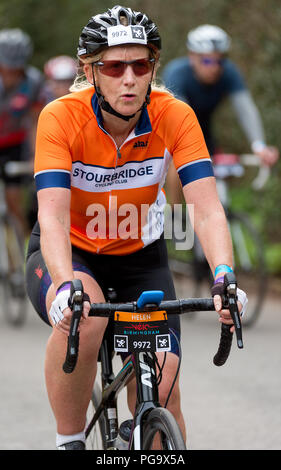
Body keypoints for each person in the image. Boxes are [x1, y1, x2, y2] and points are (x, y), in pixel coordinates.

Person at [25, 6, 247, 450]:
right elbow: (50, 214)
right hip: (73, 251)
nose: (129, 78)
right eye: (114, 66)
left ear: (153, 69)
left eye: (140, 64)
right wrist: (65, 284)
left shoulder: (175, 115)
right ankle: (69, 440)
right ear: (90, 72)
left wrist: (224, 274)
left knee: (164, 393)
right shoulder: (60, 117)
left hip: (142, 258)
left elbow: (204, 209)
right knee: (81, 322)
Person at [162, 24, 279, 205]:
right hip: (172, 127)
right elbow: (180, 116)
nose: (215, 67)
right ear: (192, 57)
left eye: (220, 61)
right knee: (176, 163)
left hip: (205, 128)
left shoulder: (229, 72)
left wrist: (259, 145)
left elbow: (245, 109)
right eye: (207, 61)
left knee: (217, 170)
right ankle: (175, 216)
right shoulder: (177, 73)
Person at [0, 28, 44, 236]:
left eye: (15, 69)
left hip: (14, 144)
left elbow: (35, 121)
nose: (10, 75)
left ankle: (22, 252)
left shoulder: (33, 82)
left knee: (14, 201)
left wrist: (36, 154)